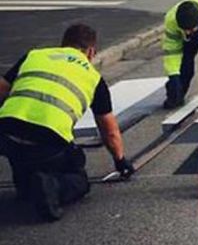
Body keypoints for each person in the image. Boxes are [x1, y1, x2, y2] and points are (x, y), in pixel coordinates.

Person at [0, 24, 134, 221]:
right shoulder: (93, 77)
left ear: (63, 44)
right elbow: (109, 130)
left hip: (6, 134)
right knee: (78, 175)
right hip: (48, 142)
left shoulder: (35, 55)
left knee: (20, 151)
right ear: (91, 51)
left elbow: (2, 88)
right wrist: (120, 161)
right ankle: (53, 186)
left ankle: (27, 184)